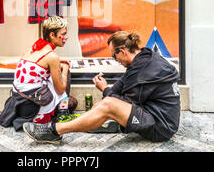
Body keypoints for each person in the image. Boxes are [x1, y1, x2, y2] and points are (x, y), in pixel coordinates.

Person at [23, 31, 181, 144]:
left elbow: (120, 102)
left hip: (160, 126)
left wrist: (105, 90)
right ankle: (93, 122)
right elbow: (121, 87)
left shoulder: (143, 71)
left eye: (114, 55)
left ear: (123, 52)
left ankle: (54, 131)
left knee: (106, 105)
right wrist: (105, 89)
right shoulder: (143, 59)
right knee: (102, 105)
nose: (114, 60)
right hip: (154, 114)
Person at [0, 16, 78, 131]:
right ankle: (62, 112)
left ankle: (60, 107)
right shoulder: (52, 56)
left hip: (19, 102)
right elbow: (60, 89)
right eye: (64, 34)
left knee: (56, 75)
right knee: (65, 79)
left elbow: (37, 65)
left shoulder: (34, 48)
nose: (66, 38)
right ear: (52, 35)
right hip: (31, 107)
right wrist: (64, 69)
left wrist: (58, 63)